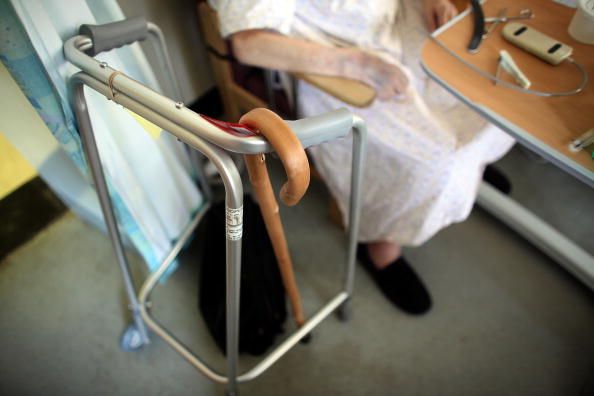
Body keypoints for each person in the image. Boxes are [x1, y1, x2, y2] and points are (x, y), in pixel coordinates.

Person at [211, 0, 515, 314]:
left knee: (497, 105)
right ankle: (380, 245)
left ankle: (471, 166)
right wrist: (356, 65)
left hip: (402, 25)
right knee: (438, 164)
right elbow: (250, 45)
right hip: (341, 59)